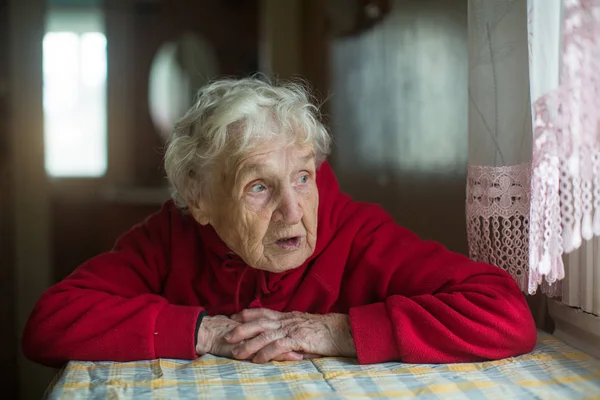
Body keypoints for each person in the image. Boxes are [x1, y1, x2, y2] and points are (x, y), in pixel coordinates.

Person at [22, 77, 537, 367]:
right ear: (199, 199)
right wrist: (205, 331)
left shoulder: (355, 233)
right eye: (259, 187)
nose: (293, 212)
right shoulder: (171, 236)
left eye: (303, 177)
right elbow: (51, 324)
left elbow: (504, 313)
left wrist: (337, 331)